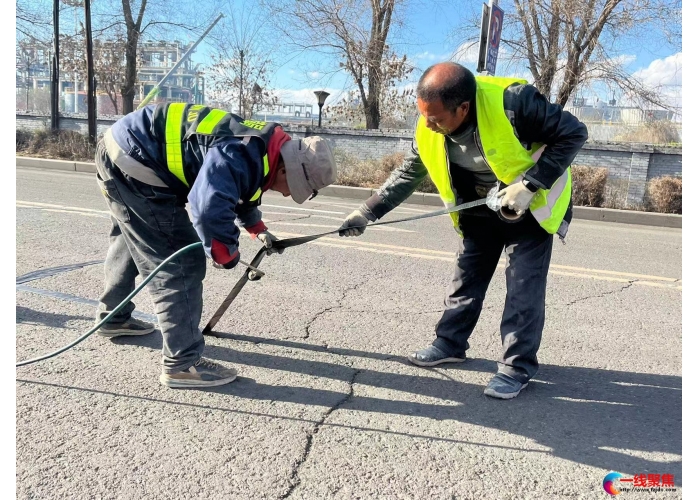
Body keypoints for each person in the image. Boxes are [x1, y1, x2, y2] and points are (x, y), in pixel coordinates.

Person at [338, 62, 588, 399]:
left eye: (437, 118)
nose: (428, 124)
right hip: (478, 208)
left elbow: (574, 132)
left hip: (528, 207)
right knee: (466, 276)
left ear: (464, 108)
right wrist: (366, 212)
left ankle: (516, 368)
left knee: (523, 289)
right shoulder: (431, 119)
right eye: (423, 115)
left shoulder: (513, 102)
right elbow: (411, 169)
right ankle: (450, 343)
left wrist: (529, 185)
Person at [94, 103, 337, 388]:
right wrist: (225, 253)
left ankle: (113, 317)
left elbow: (241, 184)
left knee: (134, 236)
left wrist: (255, 227)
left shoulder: (263, 146)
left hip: (124, 150)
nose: (286, 194)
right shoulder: (241, 153)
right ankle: (182, 364)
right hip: (135, 163)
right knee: (181, 262)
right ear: (287, 170)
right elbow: (208, 207)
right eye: (292, 188)